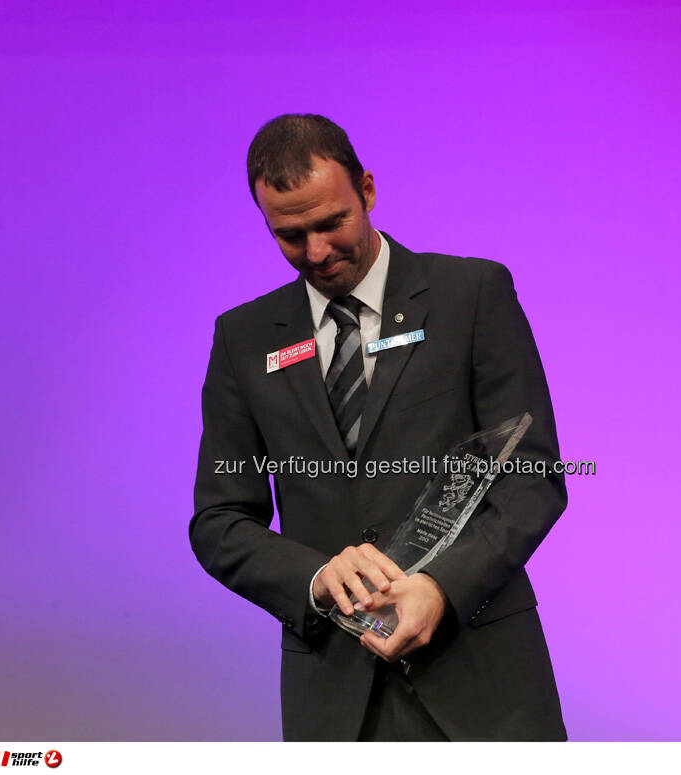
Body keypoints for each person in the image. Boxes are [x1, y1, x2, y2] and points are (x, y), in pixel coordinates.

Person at [190, 114, 567, 741]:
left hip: (483, 682)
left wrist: (441, 588)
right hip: (337, 701)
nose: (315, 252)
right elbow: (220, 520)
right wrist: (312, 577)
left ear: (366, 190)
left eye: (330, 222)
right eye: (289, 235)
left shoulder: (471, 294)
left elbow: (532, 480)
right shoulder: (243, 338)